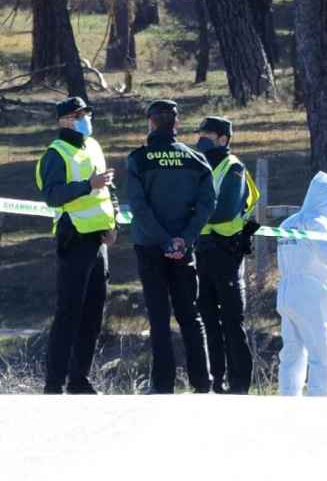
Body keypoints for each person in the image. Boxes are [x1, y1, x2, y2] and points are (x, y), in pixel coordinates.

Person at [124, 99, 216, 394]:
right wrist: (184, 238)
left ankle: (162, 385)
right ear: (176, 124)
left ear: (151, 123)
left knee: (159, 316)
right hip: (183, 247)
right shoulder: (197, 159)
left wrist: (164, 240)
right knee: (190, 315)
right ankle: (203, 382)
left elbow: (138, 206)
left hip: (151, 247)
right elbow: (206, 204)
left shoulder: (138, 159)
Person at [35, 96, 117, 394]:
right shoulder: (56, 153)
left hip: (98, 238)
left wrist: (113, 222)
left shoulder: (92, 146)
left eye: (86, 113)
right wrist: (88, 185)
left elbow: (108, 187)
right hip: (74, 237)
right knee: (69, 311)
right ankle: (54, 382)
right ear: (63, 120)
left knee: (94, 313)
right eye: (78, 114)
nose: (85, 118)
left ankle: (79, 379)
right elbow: (53, 195)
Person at [276, 172, 327, 396]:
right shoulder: (318, 223)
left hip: (285, 292)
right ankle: (319, 402)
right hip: (310, 294)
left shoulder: (288, 222)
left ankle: (287, 400)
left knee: (292, 353)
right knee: (321, 355)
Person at [194, 116, 260, 394]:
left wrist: (193, 215)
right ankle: (215, 380)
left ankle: (239, 384)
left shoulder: (233, 168)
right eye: (201, 133)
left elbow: (225, 211)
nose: (202, 138)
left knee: (232, 322)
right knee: (208, 319)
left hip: (226, 252)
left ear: (223, 138)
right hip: (203, 251)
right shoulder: (199, 166)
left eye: (208, 134)